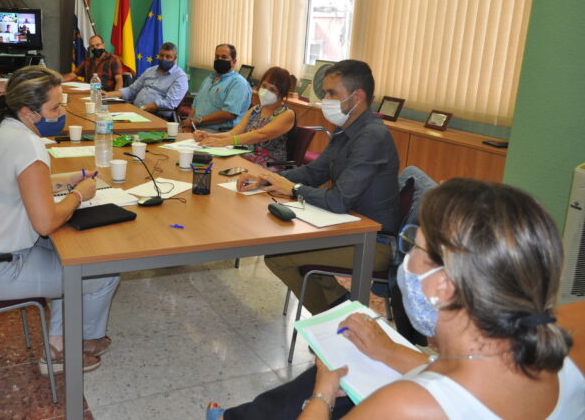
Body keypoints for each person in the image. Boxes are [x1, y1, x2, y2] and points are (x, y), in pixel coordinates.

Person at [208, 179, 585, 419]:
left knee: (327, 377)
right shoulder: (565, 340)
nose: (404, 262)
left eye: (412, 247)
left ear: (443, 286)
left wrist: (322, 394)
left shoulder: (407, 406)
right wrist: (389, 352)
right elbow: (467, 378)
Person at [0, 65, 120, 377]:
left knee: (74, 257)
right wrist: (79, 194)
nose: (60, 114)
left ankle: (60, 343)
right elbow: (45, 223)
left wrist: (68, 180)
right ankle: (73, 346)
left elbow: (20, 184)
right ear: (28, 112)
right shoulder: (28, 144)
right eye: (54, 108)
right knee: (102, 271)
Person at [237, 60, 399, 313]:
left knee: (280, 258)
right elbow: (315, 172)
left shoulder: (371, 136)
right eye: (325, 93)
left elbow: (338, 200)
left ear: (357, 97)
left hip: (372, 241)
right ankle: (338, 308)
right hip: (346, 225)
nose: (325, 100)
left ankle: (329, 322)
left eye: (332, 93)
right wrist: (268, 179)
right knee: (287, 248)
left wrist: (293, 189)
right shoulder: (345, 130)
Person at [193, 66, 295, 168]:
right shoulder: (255, 110)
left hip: (267, 166)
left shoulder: (287, 114)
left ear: (282, 93)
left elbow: (260, 135)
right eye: (264, 86)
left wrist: (222, 142)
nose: (266, 91)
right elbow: (233, 133)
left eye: (272, 89)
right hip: (245, 158)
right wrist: (208, 136)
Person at [105, 42, 188, 119]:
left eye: (168, 57)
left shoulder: (180, 77)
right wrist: (108, 95)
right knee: (107, 117)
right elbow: (131, 90)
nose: (164, 59)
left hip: (157, 116)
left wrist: (143, 108)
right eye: (161, 56)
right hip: (136, 111)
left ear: (174, 58)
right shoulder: (150, 70)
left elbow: (170, 103)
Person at [180, 44, 252, 132]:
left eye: (224, 57)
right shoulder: (208, 79)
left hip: (217, 133)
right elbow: (195, 106)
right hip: (195, 129)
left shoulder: (238, 83)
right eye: (217, 57)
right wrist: (188, 126)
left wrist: (198, 121)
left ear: (234, 61)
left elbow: (228, 114)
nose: (219, 59)